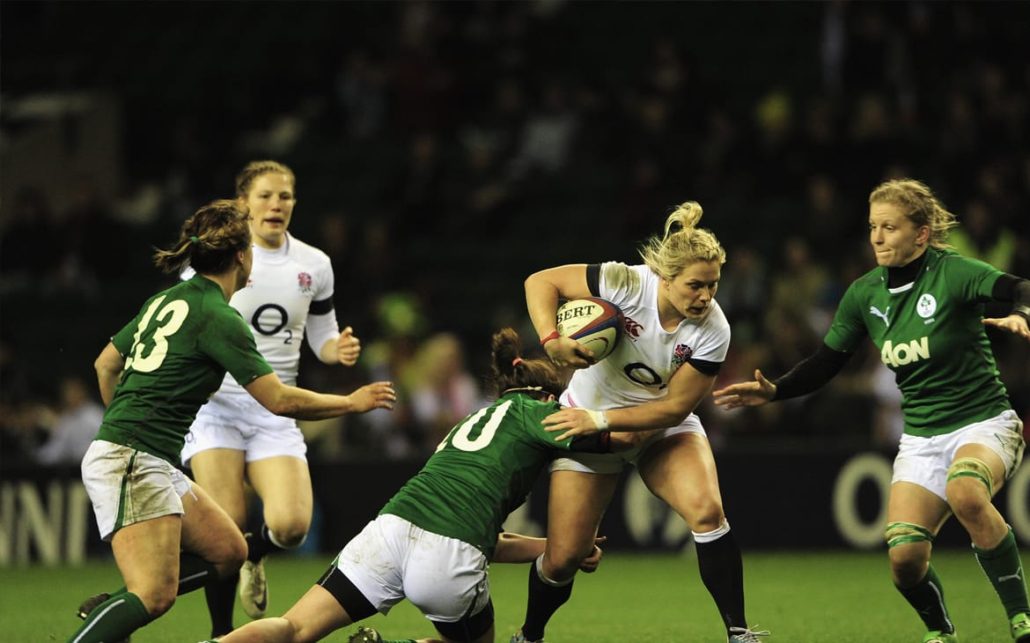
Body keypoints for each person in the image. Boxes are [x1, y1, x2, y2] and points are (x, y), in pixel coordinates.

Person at [713, 178, 1030, 643]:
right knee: (904, 560)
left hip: (983, 422)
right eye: (872, 227)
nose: (877, 237)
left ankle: (1022, 620)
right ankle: (940, 631)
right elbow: (827, 362)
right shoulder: (865, 294)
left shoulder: (953, 273)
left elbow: (1018, 285)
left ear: (920, 235)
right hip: (922, 438)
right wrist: (774, 391)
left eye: (890, 227)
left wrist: (1022, 312)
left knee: (966, 492)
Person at [68, 199, 395, 643]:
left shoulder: (166, 299)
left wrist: (123, 424)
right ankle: (117, 613)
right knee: (153, 596)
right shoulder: (219, 317)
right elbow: (279, 400)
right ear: (243, 256)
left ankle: (118, 609)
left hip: (142, 455)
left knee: (230, 550)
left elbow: (105, 363)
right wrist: (351, 402)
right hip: (133, 458)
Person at [216, 328, 612, 643]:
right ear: (546, 394)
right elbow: (618, 441)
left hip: (389, 531)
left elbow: (480, 535)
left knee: (293, 629)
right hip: (449, 553)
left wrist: (558, 548)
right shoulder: (539, 410)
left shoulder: (471, 422)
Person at [518, 201, 768, 643]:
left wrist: (607, 421)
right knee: (564, 558)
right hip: (586, 422)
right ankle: (530, 637)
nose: (706, 297)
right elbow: (541, 281)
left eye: (713, 285)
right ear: (665, 278)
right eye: (695, 285)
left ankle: (739, 633)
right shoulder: (626, 281)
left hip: (655, 426)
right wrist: (551, 340)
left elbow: (674, 409)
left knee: (708, 512)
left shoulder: (714, 329)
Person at [180, 160, 365, 636]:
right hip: (216, 406)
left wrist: (336, 349)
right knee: (225, 531)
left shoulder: (314, 264)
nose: (276, 204)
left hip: (276, 406)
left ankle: (256, 554)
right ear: (243, 203)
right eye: (265, 196)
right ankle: (222, 633)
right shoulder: (215, 260)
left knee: (290, 527)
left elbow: (319, 335)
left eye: (285, 196)